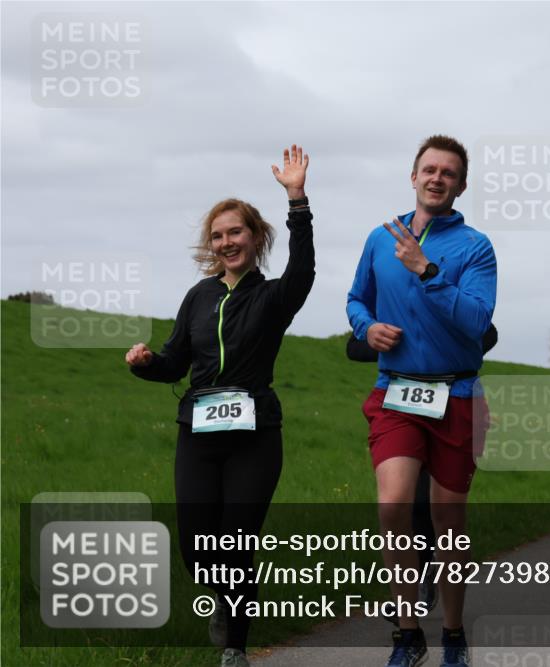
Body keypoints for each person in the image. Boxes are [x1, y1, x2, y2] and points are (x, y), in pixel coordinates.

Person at [125, 146, 314, 667]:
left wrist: (297, 201)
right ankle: (221, 606)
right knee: (196, 547)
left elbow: (304, 269)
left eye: (236, 232)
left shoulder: (275, 297)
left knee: (237, 541)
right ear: (211, 245)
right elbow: (173, 361)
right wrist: (144, 363)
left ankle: (235, 645)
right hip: (199, 435)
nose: (227, 241)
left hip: (255, 436)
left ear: (254, 238)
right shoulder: (198, 298)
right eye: (218, 235)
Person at [346, 135, 496, 667]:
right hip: (395, 391)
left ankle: (453, 630)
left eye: (449, 173)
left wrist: (427, 270)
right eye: (429, 169)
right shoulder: (378, 237)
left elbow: (479, 321)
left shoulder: (476, 247)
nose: (437, 178)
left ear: (460, 185)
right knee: (393, 505)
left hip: (454, 393)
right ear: (413, 177)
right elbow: (355, 298)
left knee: (448, 520)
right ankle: (408, 633)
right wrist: (367, 329)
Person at [345, 323, 500, 620]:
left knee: (440, 509)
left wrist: (441, 347)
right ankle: (418, 583)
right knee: (406, 502)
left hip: (451, 406)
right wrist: (386, 343)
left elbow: (488, 333)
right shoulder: (389, 299)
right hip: (402, 408)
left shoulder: (448, 293)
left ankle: (436, 577)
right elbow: (353, 348)